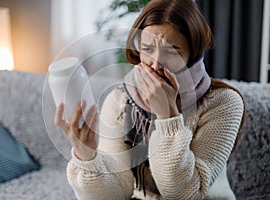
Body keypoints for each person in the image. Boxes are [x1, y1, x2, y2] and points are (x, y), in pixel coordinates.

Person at [54, 0, 245, 199]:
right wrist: (86, 154)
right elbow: (116, 193)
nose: (154, 64)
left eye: (171, 51)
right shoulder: (120, 100)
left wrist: (167, 116)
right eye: (147, 48)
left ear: (193, 54)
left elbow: (185, 194)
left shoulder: (224, 103)